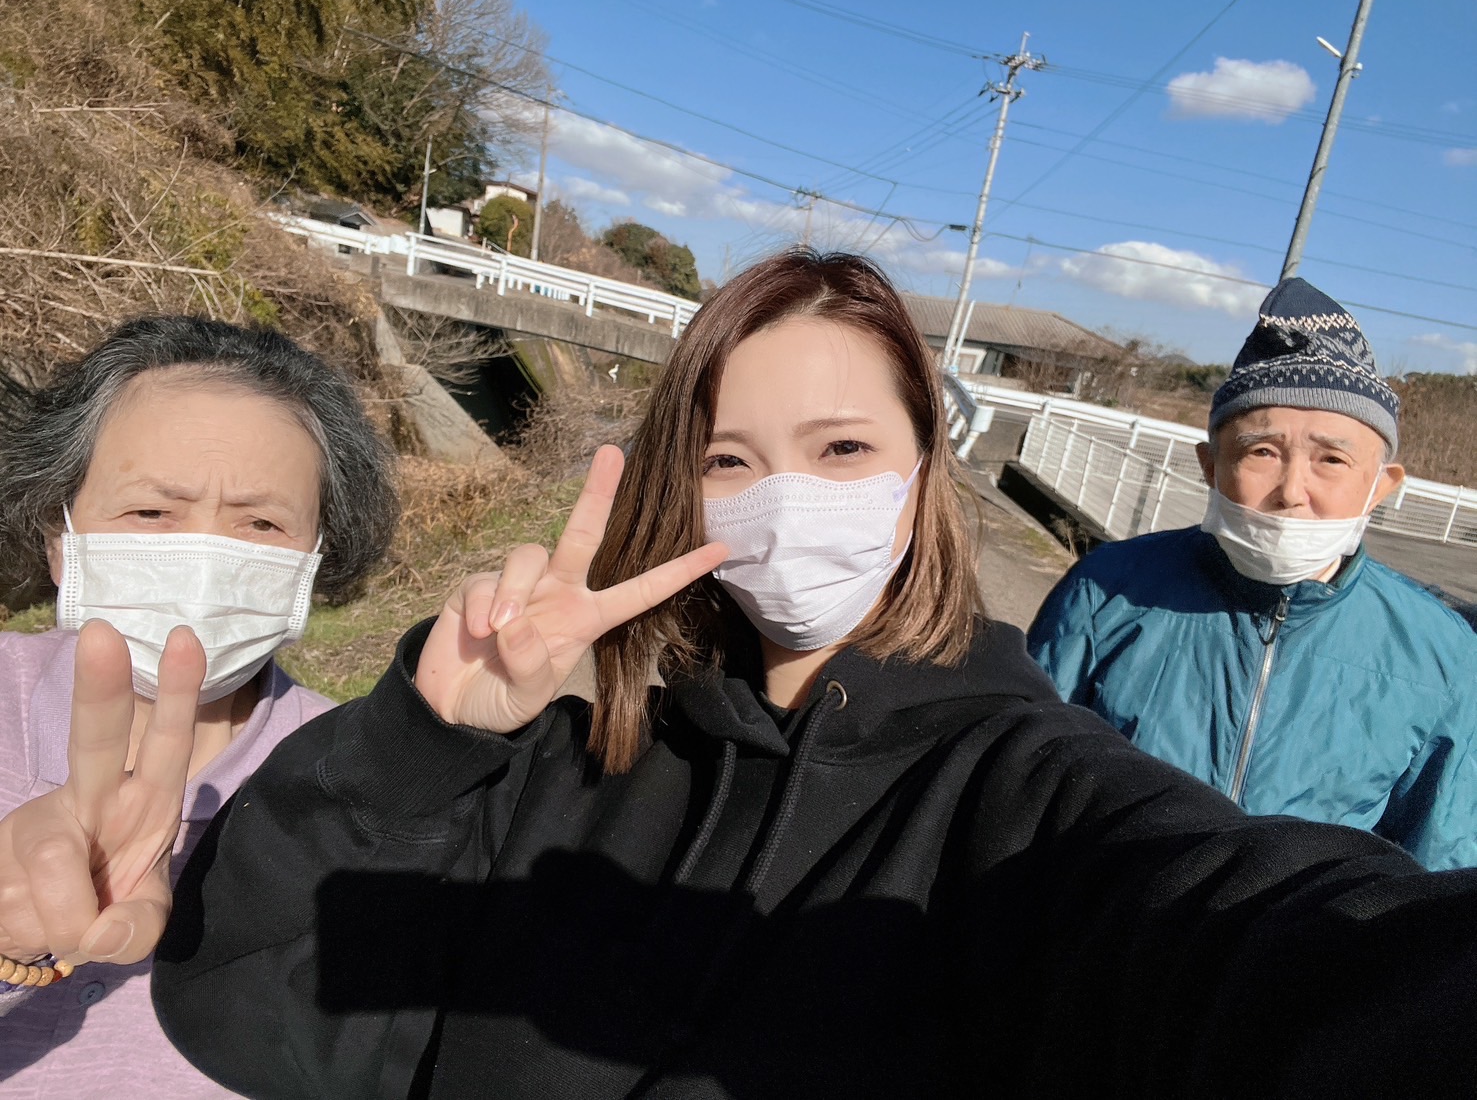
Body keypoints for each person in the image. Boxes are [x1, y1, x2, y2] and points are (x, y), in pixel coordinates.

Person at [14, 252, 1475, 1097]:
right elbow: (260, 1006)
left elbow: (1262, 940)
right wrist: (422, 735)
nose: (786, 499)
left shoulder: (1020, 798)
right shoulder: (562, 765)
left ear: (926, 473)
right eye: (729, 459)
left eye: (842, 449)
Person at [0, 316, 398, 1096]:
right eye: (152, 513)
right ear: (58, 530)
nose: (209, 561)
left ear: (317, 557)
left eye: (262, 523)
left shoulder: (363, 784)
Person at [1028, 278, 1477, 871]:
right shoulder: (1104, 591)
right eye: (1261, 451)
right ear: (1211, 466)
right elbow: (1024, 785)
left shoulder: (1442, 654)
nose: (1292, 491)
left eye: (1332, 459)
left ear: (1381, 486)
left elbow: (1438, 869)